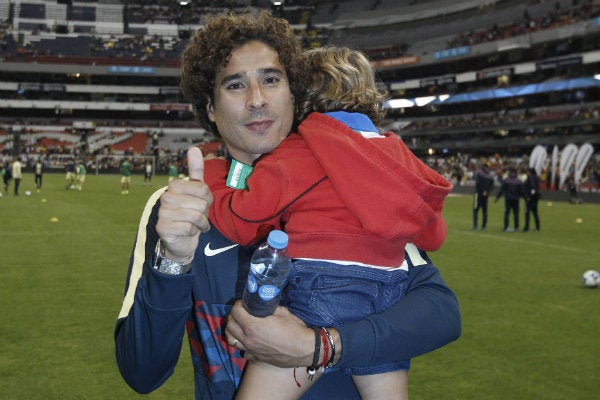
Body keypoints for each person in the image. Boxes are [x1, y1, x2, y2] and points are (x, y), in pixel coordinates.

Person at [114, 11, 461, 400]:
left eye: (271, 79)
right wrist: (174, 260)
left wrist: (319, 346)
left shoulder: (345, 186)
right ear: (210, 108)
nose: (257, 100)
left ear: (293, 94)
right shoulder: (177, 209)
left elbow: (441, 312)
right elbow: (141, 372)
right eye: (234, 85)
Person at [202, 45, 452, 400]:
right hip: (389, 296)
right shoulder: (398, 153)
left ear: (300, 96)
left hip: (320, 293)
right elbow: (433, 235)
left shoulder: (299, 149)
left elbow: (242, 220)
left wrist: (215, 173)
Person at [494, 167, 526, 232]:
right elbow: (522, 191)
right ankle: (516, 227)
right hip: (516, 199)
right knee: (516, 213)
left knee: (507, 213)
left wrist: (497, 198)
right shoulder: (519, 181)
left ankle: (506, 227)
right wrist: (526, 199)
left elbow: (501, 190)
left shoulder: (506, 180)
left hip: (508, 198)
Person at [472, 162, 494, 231]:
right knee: (484, 212)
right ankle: (483, 227)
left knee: (475, 211)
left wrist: (483, 190)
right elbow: (492, 186)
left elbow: (478, 182)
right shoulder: (490, 176)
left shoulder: (478, 173)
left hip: (477, 194)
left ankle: (475, 226)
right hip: (485, 196)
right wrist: (486, 191)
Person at [523, 168, 541, 232]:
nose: (527, 173)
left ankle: (526, 227)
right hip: (536, 197)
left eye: (527, 172)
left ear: (530, 172)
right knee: (535, 212)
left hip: (530, 197)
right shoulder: (537, 178)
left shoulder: (530, 177)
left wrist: (529, 196)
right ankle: (537, 226)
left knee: (527, 212)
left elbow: (533, 187)